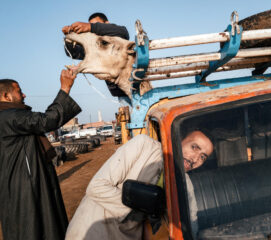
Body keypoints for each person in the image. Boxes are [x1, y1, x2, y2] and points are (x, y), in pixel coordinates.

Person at [65, 130, 213, 240]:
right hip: (92, 232)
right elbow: (96, 187)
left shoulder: (185, 184)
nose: (195, 158)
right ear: (179, 138)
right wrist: (146, 211)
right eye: (194, 147)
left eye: (202, 157)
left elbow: (191, 219)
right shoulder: (144, 146)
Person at [0, 69, 81, 240]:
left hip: (17, 186)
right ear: (6, 96)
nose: (24, 94)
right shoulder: (9, 116)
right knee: (36, 228)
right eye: (19, 91)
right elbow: (46, 121)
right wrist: (65, 89)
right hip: (26, 188)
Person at [62, 12, 129, 97]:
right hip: (121, 95)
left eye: (97, 24)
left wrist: (91, 27)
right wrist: (69, 38)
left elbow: (123, 32)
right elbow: (73, 53)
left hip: (136, 90)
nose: (92, 31)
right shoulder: (95, 48)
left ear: (107, 24)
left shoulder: (117, 38)